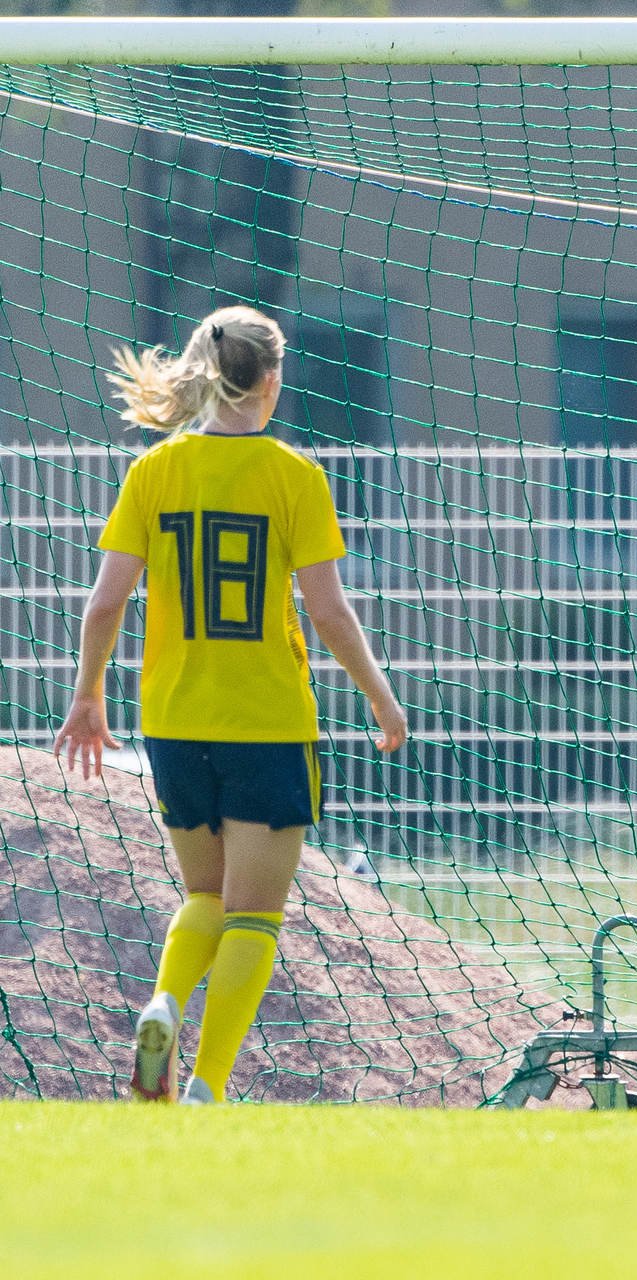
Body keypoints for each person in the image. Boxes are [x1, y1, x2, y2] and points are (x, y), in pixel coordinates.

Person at [53, 305, 408, 1104]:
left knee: (203, 899)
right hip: (268, 724)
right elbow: (328, 610)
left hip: (174, 723)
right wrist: (381, 699)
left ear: (199, 371)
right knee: (254, 917)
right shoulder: (295, 477)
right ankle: (209, 1084)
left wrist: (87, 696)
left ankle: (165, 1002)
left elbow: (105, 602)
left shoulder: (154, 472)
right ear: (273, 382)